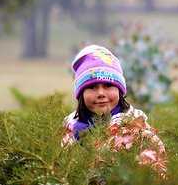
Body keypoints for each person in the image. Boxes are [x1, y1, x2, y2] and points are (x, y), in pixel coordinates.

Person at [62, 44, 166, 176]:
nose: (100, 93)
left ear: (119, 90)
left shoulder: (137, 129)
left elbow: (156, 172)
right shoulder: (69, 130)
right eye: (92, 87)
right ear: (81, 94)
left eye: (108, 85)